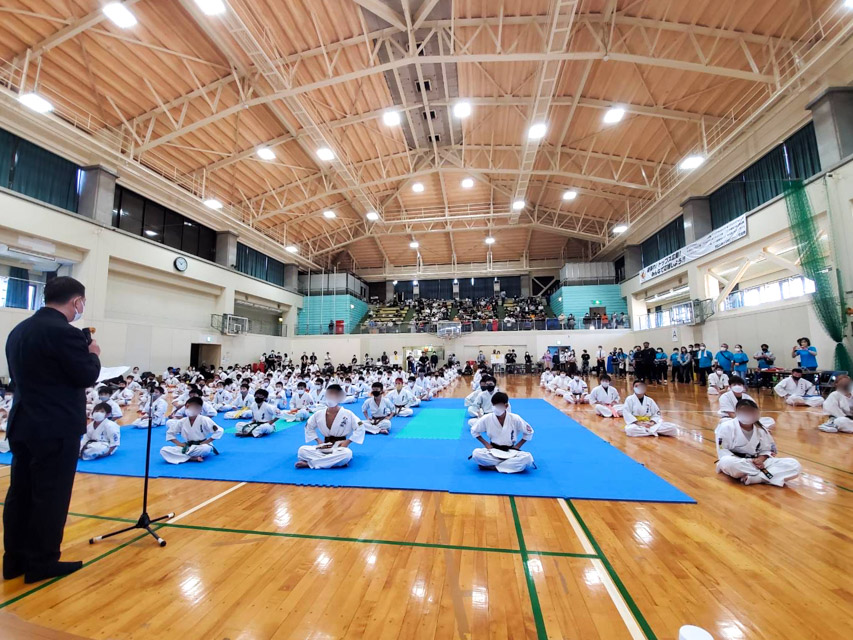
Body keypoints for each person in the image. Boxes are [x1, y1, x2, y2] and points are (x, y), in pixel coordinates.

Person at [3, 276, 101, 583]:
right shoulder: (64, 333)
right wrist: (93, 352)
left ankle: (14, 560)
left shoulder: (19, 331)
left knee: (21, 493)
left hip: (23, 423)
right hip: (55, 426)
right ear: (76, 302)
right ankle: (41, 561)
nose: (81, 307)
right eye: (81, 303)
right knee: (50, 496)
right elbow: (85, 375)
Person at [715, 399, 801, 487]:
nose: (748, 413)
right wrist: (750, 462)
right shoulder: (726, 427)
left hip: (757, 463)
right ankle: (765, 475)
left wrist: (760, 459)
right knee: (728, 462)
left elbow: (767, 450)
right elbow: (722, 450)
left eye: (751, 411)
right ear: (737, 412)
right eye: (744, 411)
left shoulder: (761, 429)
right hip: (738, 462)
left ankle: (755, 478)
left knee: (794, 465)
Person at [296, 384, 365, 469]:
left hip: (340, 447)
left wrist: (347, 442)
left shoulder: (348, 414)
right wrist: (318, 441)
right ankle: (334, 462)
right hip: (324, 446)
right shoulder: (318, 414)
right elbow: (308, 426)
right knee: (302, 451)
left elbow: (360, 426)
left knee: (347, 454)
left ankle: (311, 464)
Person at [469, 393, 535, 473]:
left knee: (527, 458)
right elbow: (474, 430)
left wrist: (518, 446)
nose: (496, 408)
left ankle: (493, 467)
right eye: (494, 405)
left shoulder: (515, 418)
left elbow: (529, 432)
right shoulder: (487, 418)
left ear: (506, 406)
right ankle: (507, 466)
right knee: (476, 454)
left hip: (511, 451)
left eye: (499, 405)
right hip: (493, 450)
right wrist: (486, 444)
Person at [160, 397, 223, 464]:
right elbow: (170, 433)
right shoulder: (182, 421)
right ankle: (191, 458)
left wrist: (207, 441)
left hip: (201, 446)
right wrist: (179, 444)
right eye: (188, 407)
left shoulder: (204, 419)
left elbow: (219, 430)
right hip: (187, 446)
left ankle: (182, 456)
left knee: (205, 449)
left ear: (200, 410)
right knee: (164, 450)